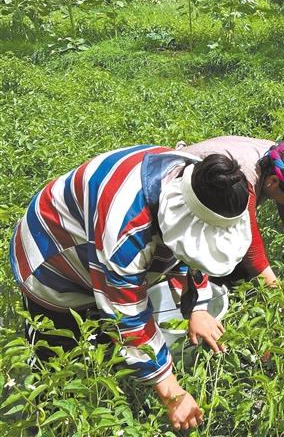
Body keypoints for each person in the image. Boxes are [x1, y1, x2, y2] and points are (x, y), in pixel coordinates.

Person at [10, 146, 254, 431]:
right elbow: (126, 318)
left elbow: (194, 248)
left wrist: (198, 305)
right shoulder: (125, 229)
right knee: (59, 369)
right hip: (53, 258)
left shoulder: (202, 178)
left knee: (105, 353)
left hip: (99, 248)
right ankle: (54, 423)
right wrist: (171, 392)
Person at [177, 136, 284, 294]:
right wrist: (283, 304)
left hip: (201, 187)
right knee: (201, 256)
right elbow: (251, 248)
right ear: (273, 181)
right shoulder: (241, 181)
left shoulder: (281, 161)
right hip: (178, 191)